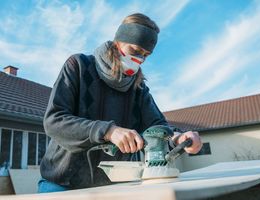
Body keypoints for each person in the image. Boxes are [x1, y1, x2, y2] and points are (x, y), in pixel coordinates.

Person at [38, 13, 202, 193]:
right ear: (117, 42)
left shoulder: (138, 88)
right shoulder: (78, 66)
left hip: (116, 187)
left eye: (145, 55)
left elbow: (157, 126)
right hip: (62, 183)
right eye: (135, 51)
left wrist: (178, 138)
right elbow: (54, 120)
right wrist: (108, 131)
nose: (139, 59)